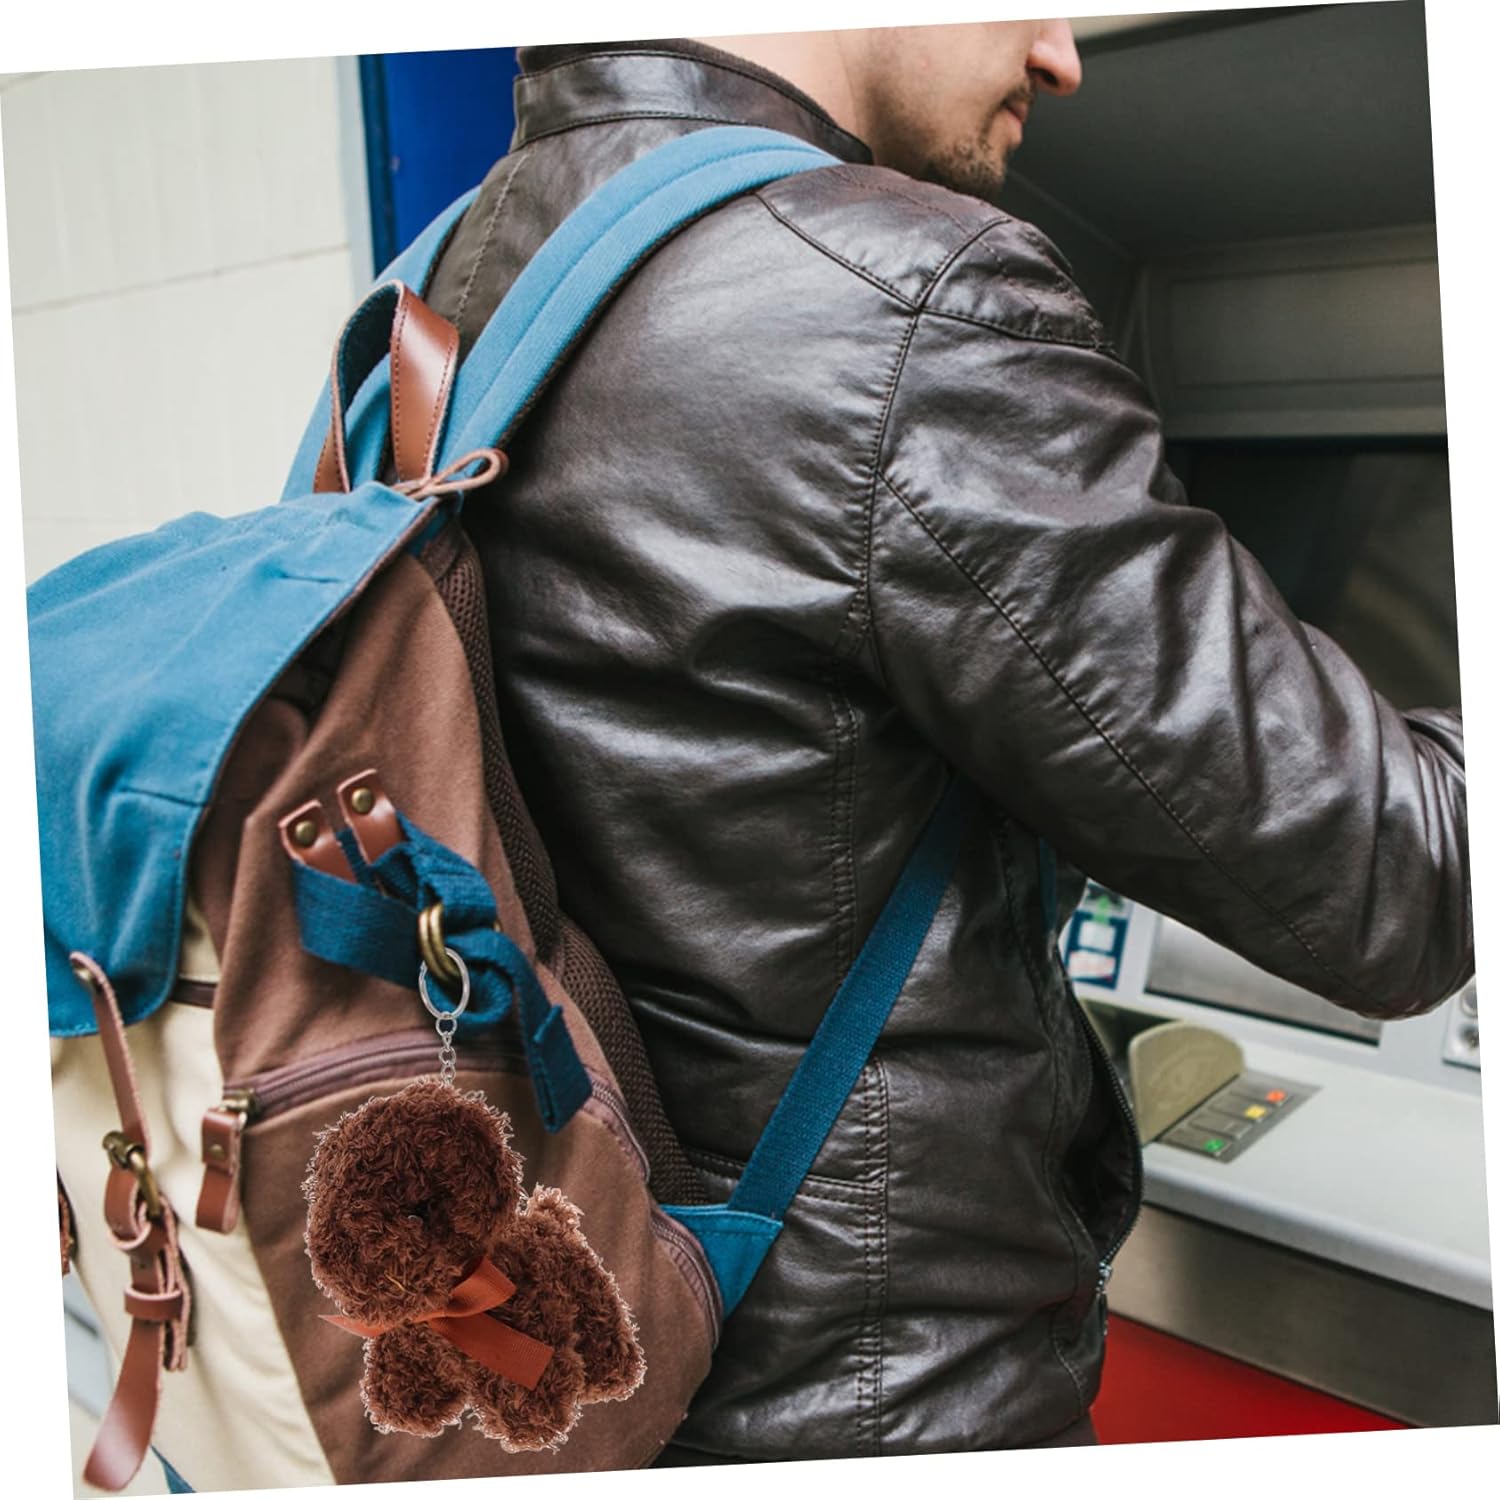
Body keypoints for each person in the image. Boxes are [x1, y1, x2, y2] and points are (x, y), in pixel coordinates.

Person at [418, 22, 1471, 1461]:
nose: (1061, 52)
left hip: (584, 1349)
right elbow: (1400, 876)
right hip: (881, 1402)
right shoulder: (902, 300)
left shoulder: (439, 290)